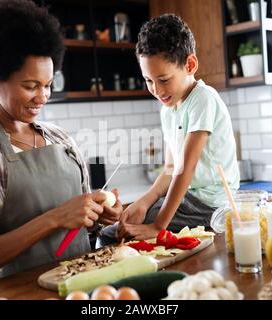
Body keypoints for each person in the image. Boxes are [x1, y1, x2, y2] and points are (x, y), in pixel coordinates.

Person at [0, 0, 122, 281]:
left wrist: (99, 216)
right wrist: (55, 218)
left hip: (84, 284)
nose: (43, 96)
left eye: (47, 84)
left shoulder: (61, 140)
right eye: (30, 86)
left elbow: (84, 233)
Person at [98, 14, 239, 245]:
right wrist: (144, 201)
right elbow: (171, 168)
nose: (156, 89)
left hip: (212, 206)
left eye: (163, 79)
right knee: (114, 232)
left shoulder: (203, 99)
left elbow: (187, 168)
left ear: (190, 65)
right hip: (188, 200)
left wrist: (157, 226)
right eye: (149, 80)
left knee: (117, 235)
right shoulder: (169, 109)